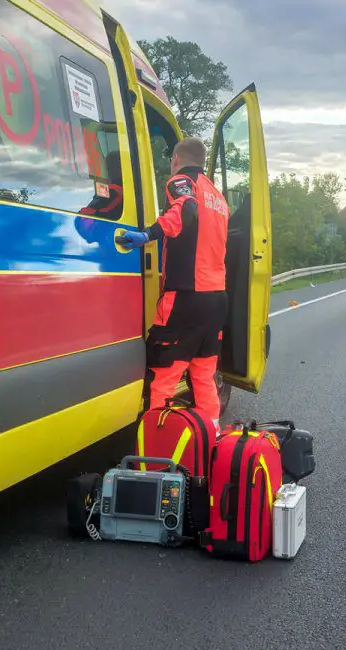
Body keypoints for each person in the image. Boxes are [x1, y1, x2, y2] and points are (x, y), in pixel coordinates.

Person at [117, 137, 229, 431]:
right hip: (216, 299)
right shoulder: (217, 196)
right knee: (203, 375)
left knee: (163, 373)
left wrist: (148, 234)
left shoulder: (182, 181)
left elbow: (186, 209)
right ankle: (211, 435)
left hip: (185, 298)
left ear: (176, 159)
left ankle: (157, 442)